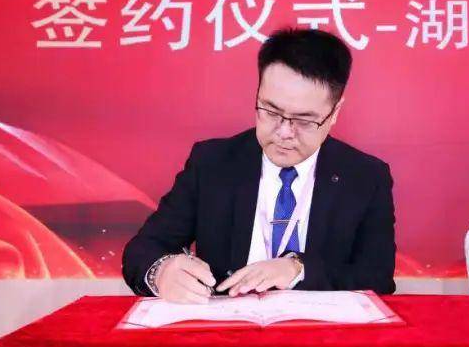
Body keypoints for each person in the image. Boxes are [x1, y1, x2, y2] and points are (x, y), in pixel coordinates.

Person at [123, 27, 396, 301]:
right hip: (226, 323)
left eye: (304, 120)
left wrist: (298, 269)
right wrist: (161, 272)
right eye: (271, 111)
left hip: (318, 327)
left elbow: (378, 277)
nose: (284, 132)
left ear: (334, 113)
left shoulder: (366, 177)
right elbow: (143, 248)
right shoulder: (212, 163)